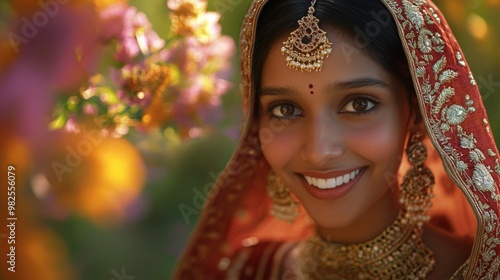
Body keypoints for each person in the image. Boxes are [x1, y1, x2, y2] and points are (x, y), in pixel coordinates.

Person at [172, 0, 500, 279]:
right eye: (285, 109)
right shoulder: (249, 270)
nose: (319, 151)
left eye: (359, 104)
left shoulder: (480, 270)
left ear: (416, 109)